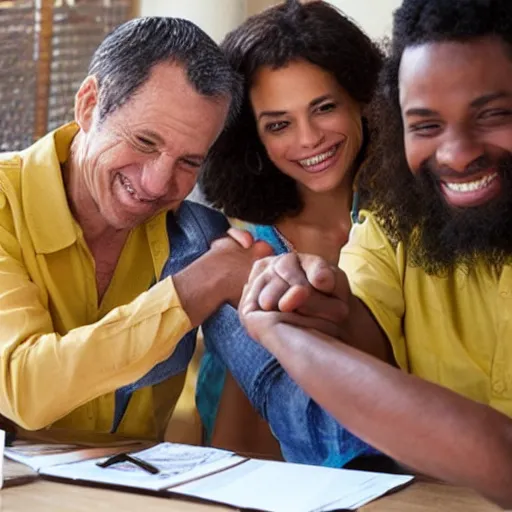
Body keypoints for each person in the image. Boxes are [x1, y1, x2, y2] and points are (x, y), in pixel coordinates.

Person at [205, 0, 512, 507]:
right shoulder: (387, 228)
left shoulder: (377, 212)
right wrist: (293, 310)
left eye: (493, 114)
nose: (456, 152)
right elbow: (352, 324)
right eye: (427, 124)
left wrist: (278, 330)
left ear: (365, 105)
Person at [0, 17, 271, 441]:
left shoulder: (201, 239)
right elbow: (25, 385)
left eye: (188, 162)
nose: (157, 185)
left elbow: (274, 387)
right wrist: (195, 288)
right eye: (145, 142)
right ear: (89, 105)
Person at [196, 0, 382, 459]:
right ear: (252, 136)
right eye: (278, 124)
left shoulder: (414, 221)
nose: (308, 139)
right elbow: (242, 451)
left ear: (363, 97)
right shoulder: (254, 254)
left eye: (323, 107)